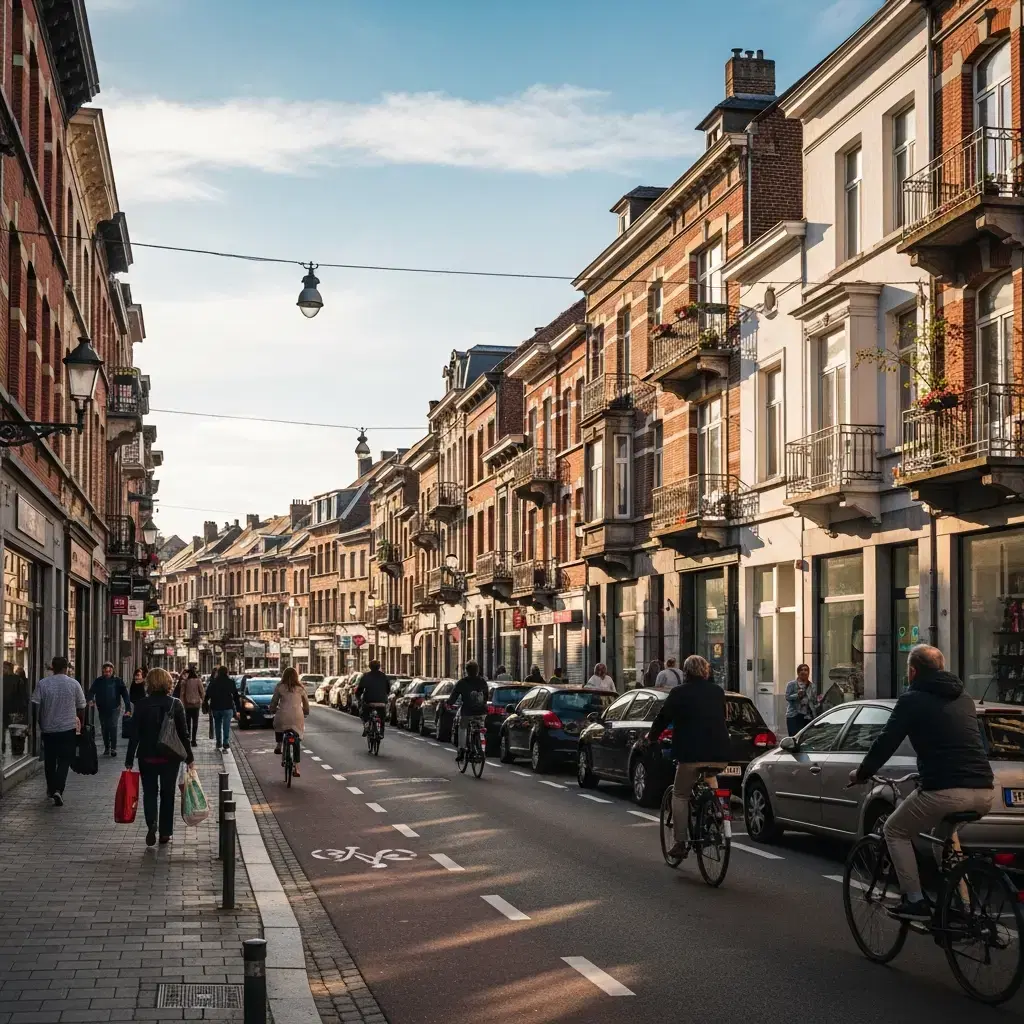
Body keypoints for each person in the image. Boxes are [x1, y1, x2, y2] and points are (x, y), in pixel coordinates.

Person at [849, 644, 995, 921]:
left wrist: (862, 773)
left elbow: (886, 742)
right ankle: (959, 903)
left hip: (944, 789)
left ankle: (915, 900)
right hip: (985, 790)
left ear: (913, 671)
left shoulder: (912, 698)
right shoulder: (964, 697)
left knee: (894, 830)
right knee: (944, 838)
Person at [646, 654, 731, 860]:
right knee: (711, 775)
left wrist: (652, 736)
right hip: (719, 753)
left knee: (681, 794)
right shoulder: (718, 691)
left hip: (691, 754)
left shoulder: (679, 692)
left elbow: (664, 717)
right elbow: (724, 716)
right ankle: (717, 810)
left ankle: (680, 843)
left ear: (686, 672)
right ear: (706, 671)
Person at [125, 668, 194, 846]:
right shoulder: (175, 704)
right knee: (167, 793)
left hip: (146, 756)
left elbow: (135, 735)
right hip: (170, 757)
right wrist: (189, 758)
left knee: (149, 792)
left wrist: (129, 759)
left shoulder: (140, 705)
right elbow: (183, 734)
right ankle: (165, 832)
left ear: (149, 683)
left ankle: (151, 823)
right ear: (167, 682)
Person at [32, 656, 87, 807]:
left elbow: (35, 704)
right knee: (65, 759)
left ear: (52, 667)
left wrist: (37, 723)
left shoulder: (43, 684)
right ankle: (58, 789)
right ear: (66, 668)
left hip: (48, 728)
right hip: (67, 728)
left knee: (49, 760)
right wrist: (80, 723)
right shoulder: (73, 684)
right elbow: (82, 706)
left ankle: (51, 789)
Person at [270, 667, 309, 777]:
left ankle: (279, 744)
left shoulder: (280, 687)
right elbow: (306, 703)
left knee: (278, 724)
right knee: (296, 739)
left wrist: (272, 709)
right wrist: (306, 712)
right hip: (297, 716)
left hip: (283, 715)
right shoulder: (300, 688)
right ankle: (296, 767)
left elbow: (274, 701)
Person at [88, 662, 132, 758]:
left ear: (112, 671)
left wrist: (128, 708)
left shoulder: (118, 681)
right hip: (102, 708)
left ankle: (113, 748)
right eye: (105, 671)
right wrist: (90, 699)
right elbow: (91, 691)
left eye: (109, 671)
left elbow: (125, 695)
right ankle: (107, 747)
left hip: (115, 708)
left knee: (113, 726)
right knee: (104, 728)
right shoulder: (98, 681)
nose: (107, 673)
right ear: (103, 671)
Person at [451, 660, 488, 762]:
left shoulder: (462, 682)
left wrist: (449, 703)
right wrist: (483, 703)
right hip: (481, 711)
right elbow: (486, 695)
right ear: (477, 670)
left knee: (462, 728)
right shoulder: (482, 681)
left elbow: (454, 695)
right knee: (481, 727)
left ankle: (462, 749)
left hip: (467, 712)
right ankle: (480, 746)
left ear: (467, 671)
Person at [204, 666, 241, 751]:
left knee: (217, 725)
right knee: (226, 725)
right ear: (227, 672)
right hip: (227, 707)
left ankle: (218, 742)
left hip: (216, 707)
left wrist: (206, 703)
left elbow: (207, 695)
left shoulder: (213, 682)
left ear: (218, 673)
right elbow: (236, 696)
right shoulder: (230, 682)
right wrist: (238, 709)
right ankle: (225, 742)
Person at [355, 660, 390, 736]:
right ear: (379, 667)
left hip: (369, 701)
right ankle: (381, 731)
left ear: (370, 667)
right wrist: (384, 696)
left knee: (364, 712)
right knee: (382, 717)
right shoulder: (384, 676)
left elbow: (360, 689)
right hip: (381, 701)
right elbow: (388, 689)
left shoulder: (366, 676)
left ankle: (366, 726)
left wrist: (359, 698)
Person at [784, 664, 816, 736]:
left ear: (808, 672)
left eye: (806, 670)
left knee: (805, 738)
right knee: (794, 737)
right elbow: (787, 697)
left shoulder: (812, 686)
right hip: (794, 715)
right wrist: (797, 695)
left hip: (807, 716)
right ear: (798, 672)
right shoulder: (791, 684)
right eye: (801, 670)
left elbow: (814, 701)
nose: (803, 672)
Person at [177, 666, 205, 744]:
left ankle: (188, 738)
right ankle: (194, 740)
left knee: (187, 723)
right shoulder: (198, 681)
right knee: (195, 723)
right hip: (196, 705)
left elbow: (182, 694)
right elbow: (202, 692)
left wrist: (181, 704)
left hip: (187, 705)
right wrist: (204, 701)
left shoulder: (184, 682)